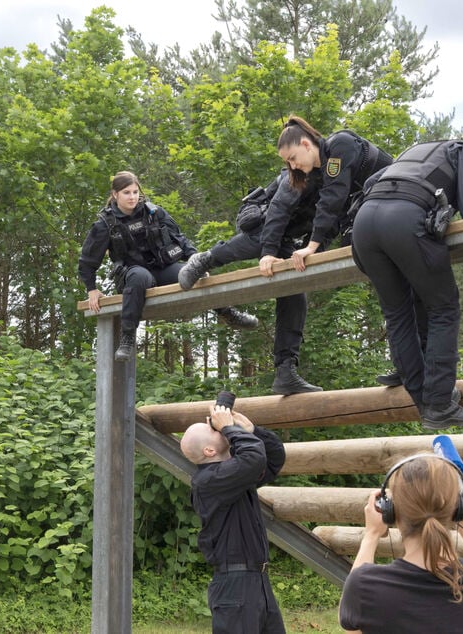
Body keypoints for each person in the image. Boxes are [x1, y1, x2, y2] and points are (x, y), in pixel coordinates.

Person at [350, 134, 463, 429]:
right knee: (444, 307)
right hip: (403, 219)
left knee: (398, 313)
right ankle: (439, 403)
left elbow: (369, 183)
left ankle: (426, 403)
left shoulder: (416, 150)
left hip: (364, 224)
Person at [78, 171, 259, 362]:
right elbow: (87, 261)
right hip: (134, 274)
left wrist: (195, 261)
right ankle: (128, 338)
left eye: (134, 192)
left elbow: (179, 238)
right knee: (138, 277)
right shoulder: (105, 225)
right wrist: (91, 289)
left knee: (191, 273)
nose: (132, 197)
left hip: (162, 267)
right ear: (115, 194)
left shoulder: (154, 212)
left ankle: (228, 313)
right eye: (126, 193)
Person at [338, 454, 463, 633]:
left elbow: (352, 627)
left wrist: (371, 535)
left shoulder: (365, 586)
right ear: (459, 509)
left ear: (390, 512)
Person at [177, 169, 323, 394]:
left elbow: (325, 220)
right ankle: (207, 259)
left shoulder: (335, 182)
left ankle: (286, 371)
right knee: (259, 241)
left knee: (295, 293)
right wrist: (268, 253)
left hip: (286, 236)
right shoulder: (298, 174)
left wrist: (311, 250)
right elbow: (277, 215)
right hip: (264, 224)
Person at [180, 404, 286, 633]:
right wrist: (229, 427)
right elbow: (253, 459)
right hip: (235, 587)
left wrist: (252, 430)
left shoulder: (234, 476)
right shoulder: (209, 481)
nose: (220, 429)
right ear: (209, 450)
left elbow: (274, 459)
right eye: (215, 431)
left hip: (256, 581)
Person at [275, 115, 393, 272]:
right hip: (370, 208)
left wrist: (310, 247)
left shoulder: (339, 145)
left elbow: (332, 200)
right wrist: (306, 253)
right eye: (288, 163)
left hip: (393, 194)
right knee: (352, 250)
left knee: (363, 245)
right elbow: (333, 217)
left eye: (293, 158)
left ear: (305, 144)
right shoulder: (319, 174)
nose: (293, 166)